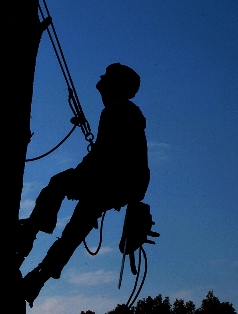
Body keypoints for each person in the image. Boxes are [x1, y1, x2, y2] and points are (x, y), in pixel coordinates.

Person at [17, 63, 151, 307]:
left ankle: (30, 233)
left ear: (115, 86)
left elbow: (103, 155)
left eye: (106, 80)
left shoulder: (116, 111)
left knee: (59, 184)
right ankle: (40, 277)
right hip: (126, 184)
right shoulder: (127, 111)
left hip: (112, 178)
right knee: (78, 227)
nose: (100, 83)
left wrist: (79, 177)